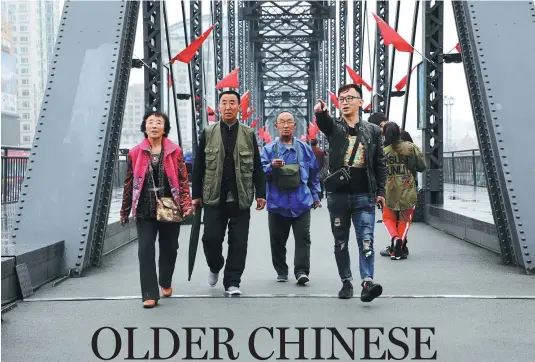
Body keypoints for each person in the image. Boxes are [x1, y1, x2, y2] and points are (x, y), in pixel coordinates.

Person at [314, 84, 386, 302]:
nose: (344, 102)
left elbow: (380, 163)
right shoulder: (334, 127)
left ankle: (367, 282)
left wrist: (381, 191)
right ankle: (346, 282)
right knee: (341, 242)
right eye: (341, 99)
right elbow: (324, 123)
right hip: (339, 196)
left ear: (360, 102)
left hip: (365, 194)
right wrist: (321, 112)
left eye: (349, 98)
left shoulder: (373, 130)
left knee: (366, 240)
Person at [191, 90, 266, 297]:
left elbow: (258, 167)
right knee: (210, 239)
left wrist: (261, 193)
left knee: (239, 242)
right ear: (219, 107)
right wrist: (195, 194)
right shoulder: (208, 132)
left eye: (232, 102)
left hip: (240, 197)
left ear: (239, 107)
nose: (228, 106)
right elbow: (198, 167)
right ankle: (215, 265)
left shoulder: (249, 133)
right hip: (214, 197)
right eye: (224, 102)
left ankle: (232, 282)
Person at [120, 111, 193, 308]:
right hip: (145, 207)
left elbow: (183, 179)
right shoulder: (135, 152)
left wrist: (186, 204)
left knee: (170, 248)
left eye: (158, 122)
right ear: (144, 127)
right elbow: (129, 183)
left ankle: (165, 281)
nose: (154, 125)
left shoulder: (175, 151)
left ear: (164, 128)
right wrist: (125, 210)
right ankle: (149, 294)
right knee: (145, 250)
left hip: (169, 204)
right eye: (150, 122)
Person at [261, 111, 321, 285]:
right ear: (276, 126)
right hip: (277, 203)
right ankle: (281, 270)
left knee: (303, 238)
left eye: (289, 122)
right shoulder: (268, 150)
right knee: (277, 240)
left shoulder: (305, 149)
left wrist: (315, 195)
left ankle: (301, 270)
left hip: (301, 202)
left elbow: (313, 174)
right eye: (282, 122)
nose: (285, 125)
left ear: (295, 126)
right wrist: (271, 166)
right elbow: (259, 174)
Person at [381, 122, 426, 259]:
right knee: (405, 219)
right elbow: (422, 166)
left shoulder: (383, 152)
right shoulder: (411, 148)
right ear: (399, 132)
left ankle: (394, 238)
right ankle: (398, 248)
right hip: (408, 187)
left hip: (389, 189)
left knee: (388, 217)